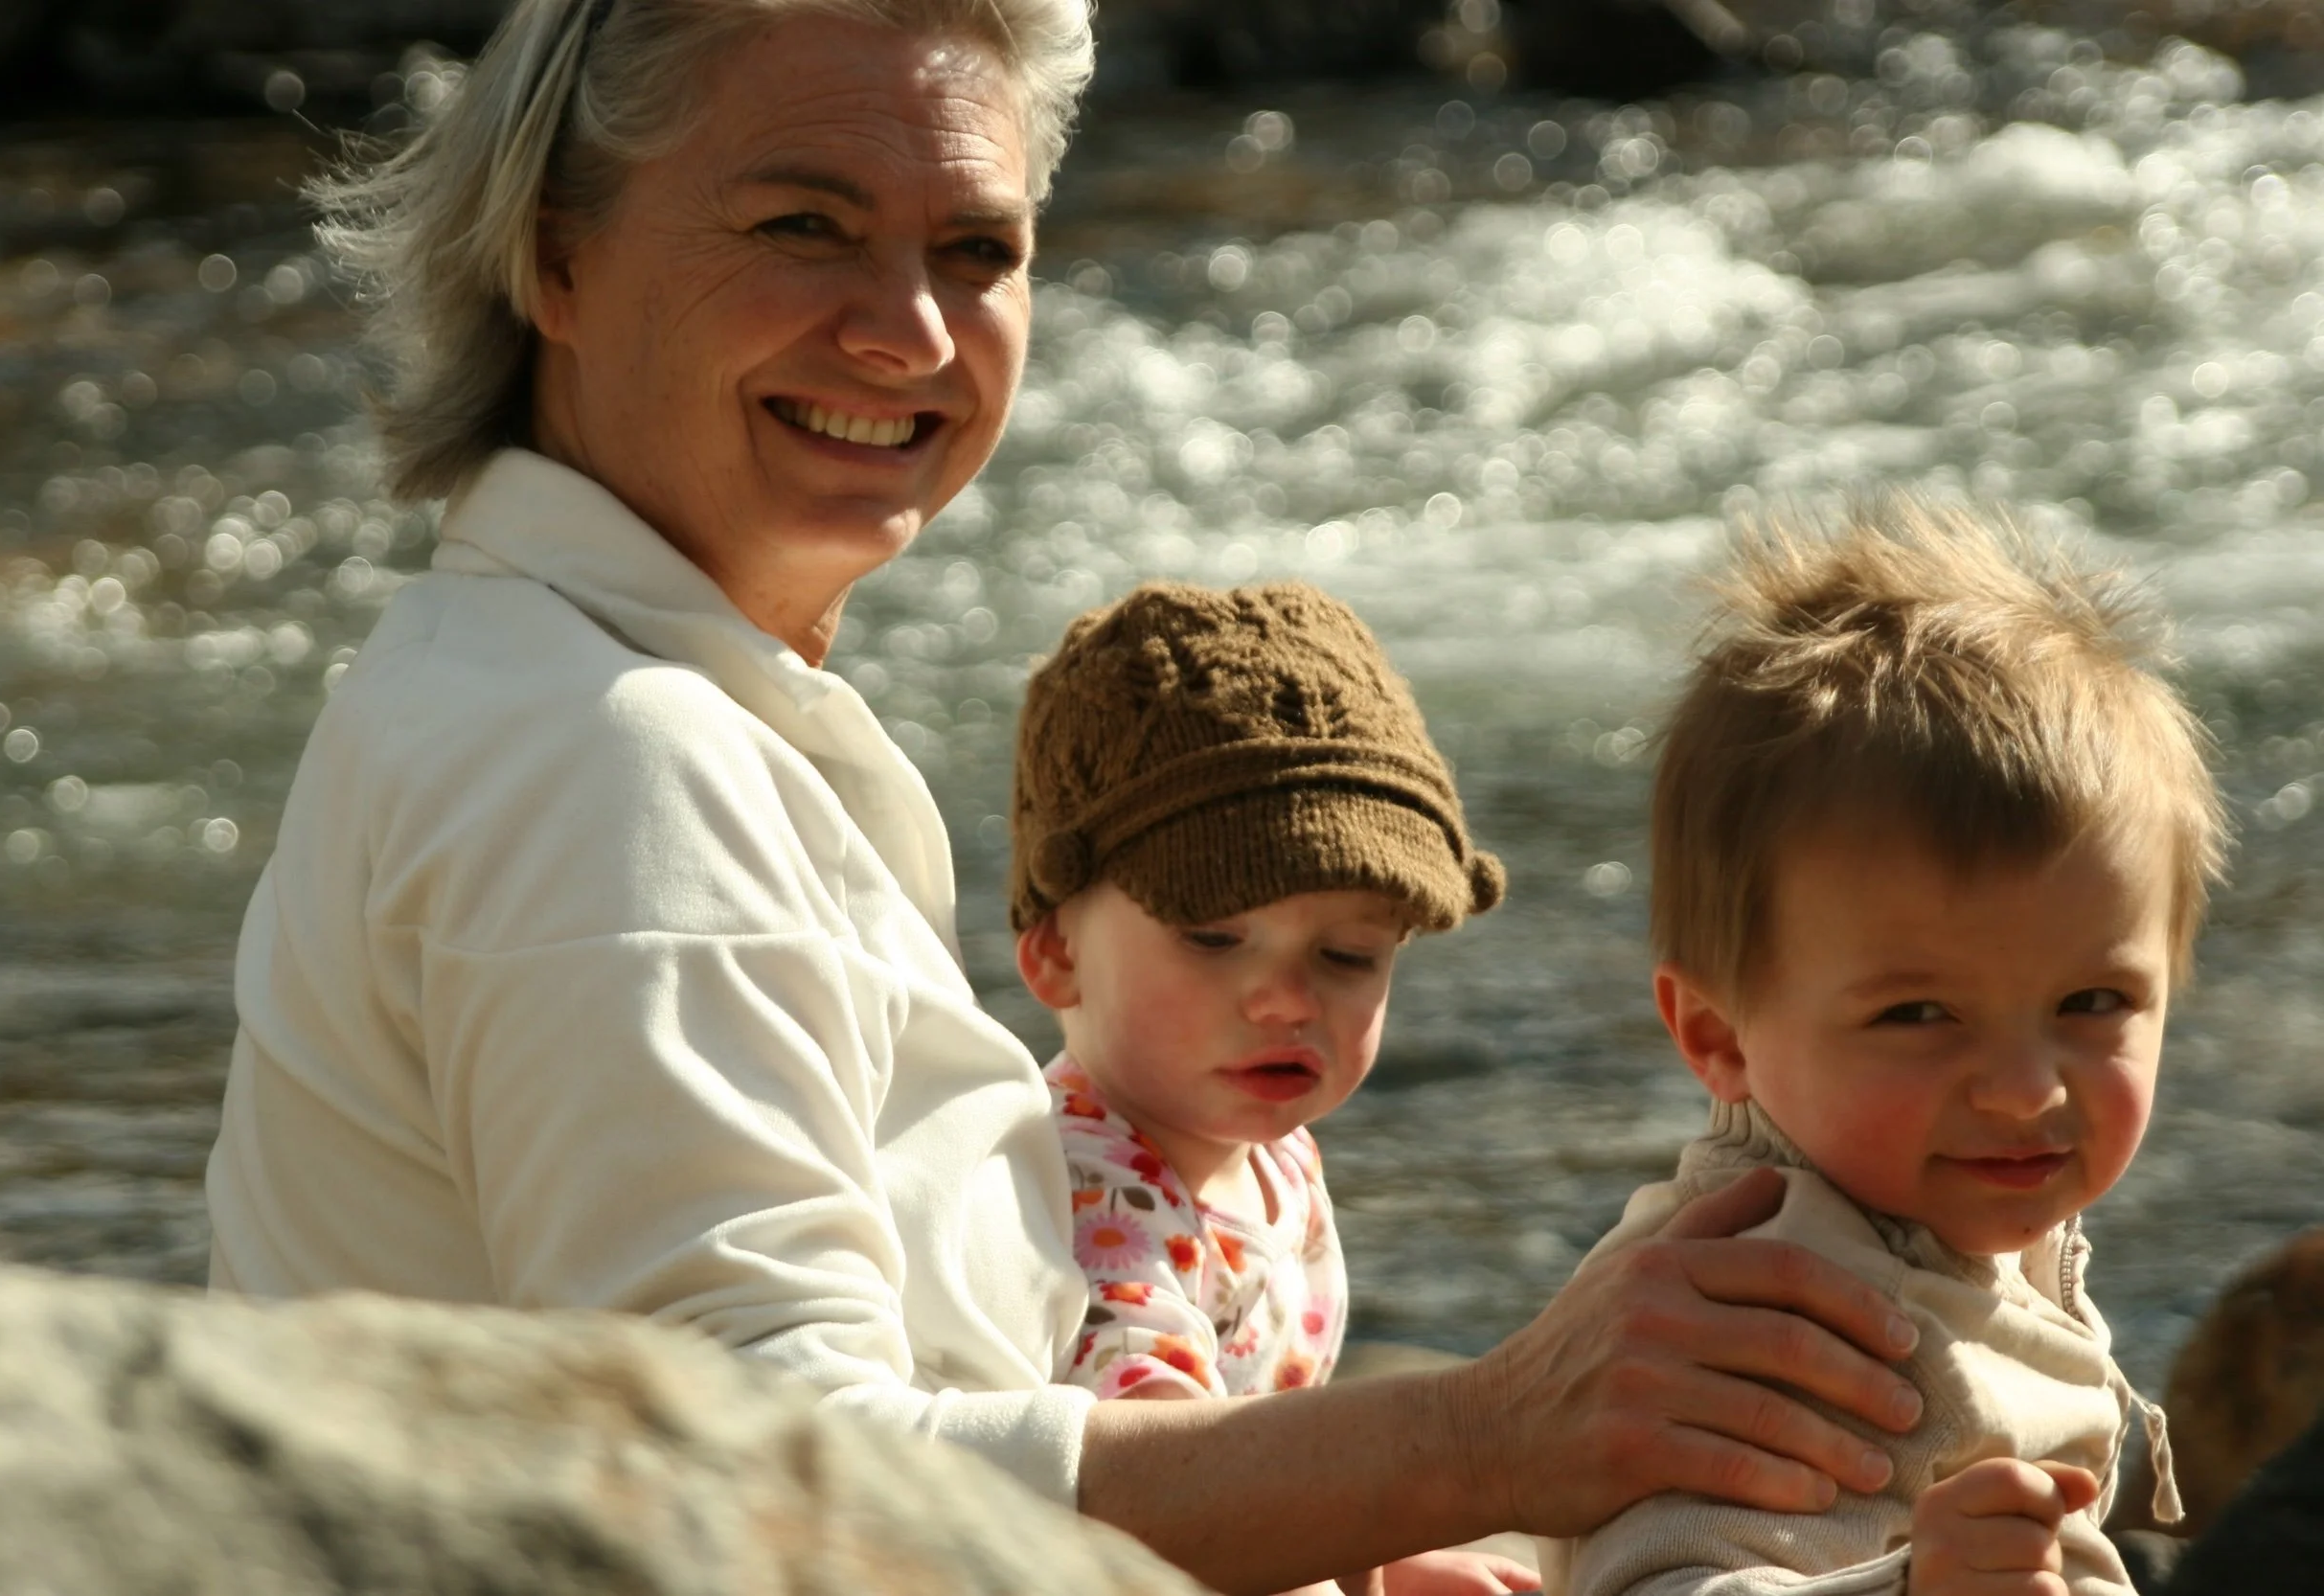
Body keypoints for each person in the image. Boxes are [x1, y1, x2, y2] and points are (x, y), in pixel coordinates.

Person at [200, 0, 1931, 1589]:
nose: (908, 332)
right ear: (552, 259)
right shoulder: (608, 762)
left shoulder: (530, 676)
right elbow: (749, 1488)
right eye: (801, 225)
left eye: (979, 248)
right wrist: (1482, 1437)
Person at [1538, 505, 2216, 1596]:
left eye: (2092, 1000)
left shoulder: (1965, 1231)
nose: (2024, 1089)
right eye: (1917, 1015)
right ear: (1719, 1037)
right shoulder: (1751, 1313)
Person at [1010, 581, 1531, 1595]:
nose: (1288, 999)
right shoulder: (1087, 1184)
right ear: (1055, 954)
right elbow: (1170, 1483)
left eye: (1347, 954)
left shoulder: (1270, 1154)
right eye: (1214, 939)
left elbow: (1270, 1457)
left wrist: (1380, 1558)